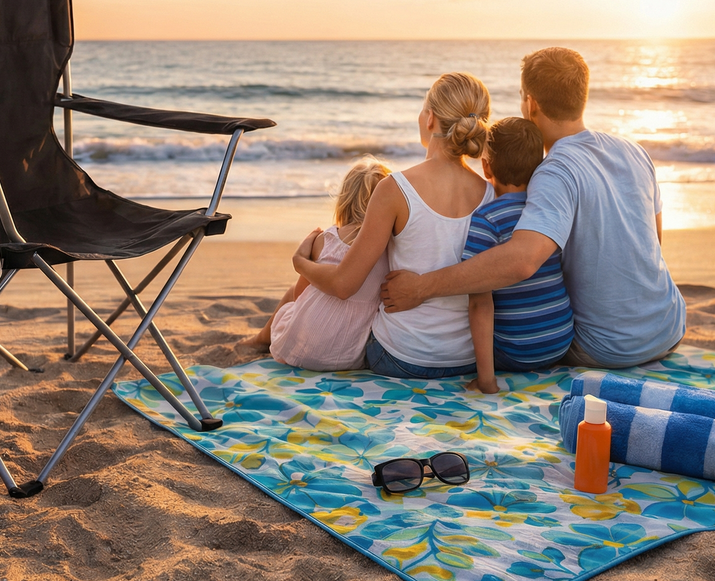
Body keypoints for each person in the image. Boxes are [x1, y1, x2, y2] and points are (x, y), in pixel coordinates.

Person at [381, 47, 685, 369]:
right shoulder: (634, 151)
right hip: (670, 326)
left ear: (531, 104)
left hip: (608, 348)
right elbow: (654, 241)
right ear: (582, 96)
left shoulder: (554, 170)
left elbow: (522, 262)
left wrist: (422, 287)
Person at [291, 72, 494, 378]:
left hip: (399, 357)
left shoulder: (394, 189)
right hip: (464, 359)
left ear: (430, 119)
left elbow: (344, 285)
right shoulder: (491, 194)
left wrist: (301, 263)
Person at [242, 156, 391, 370]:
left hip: (301, 347)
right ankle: (260, 340)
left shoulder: (326, 238)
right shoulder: (387, 245)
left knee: (292, 292)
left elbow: (301, 293)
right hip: (349, 355)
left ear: (344, 200)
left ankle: (259, 341)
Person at [463, 117, 574, 393]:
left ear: (486, 166)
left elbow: (480, 302)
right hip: (561, 343)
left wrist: (486, 381)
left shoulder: (486, 219)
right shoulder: (547, 213)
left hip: (515, 352)